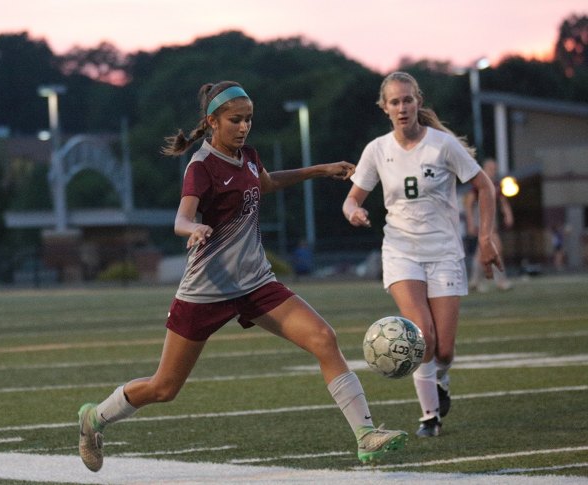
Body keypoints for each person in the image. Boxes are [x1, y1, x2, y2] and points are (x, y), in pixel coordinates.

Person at [77, 81, 408, 473]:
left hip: (256, 283)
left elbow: (265, 184)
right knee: (164, 388)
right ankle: (94, 419)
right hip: (206, 290)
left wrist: (321, 170)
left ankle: (365, 436)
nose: (244, 127)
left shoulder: (248, 156)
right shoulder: (201, 166)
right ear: (212, 121)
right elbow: (182, 217)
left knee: (324, 338)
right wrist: (194, 229)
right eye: (235, 120)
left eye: (249, 119)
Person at [342, 72, 503, 438]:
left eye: (407, 100)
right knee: (422, 337)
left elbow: (485, 186)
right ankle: (429, 417)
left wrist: (487, 237)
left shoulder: (443, 145)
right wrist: (353, 211)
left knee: (444, 349)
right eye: (394, 102)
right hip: (400, 251)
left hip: (444, 251)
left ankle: (441, 379)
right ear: (385, 108)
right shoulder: (377, 150)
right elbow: (353, 198)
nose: (402, 107)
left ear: (418, 102)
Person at [465, 158, 514, 292]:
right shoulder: (478, 184)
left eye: (494, 169)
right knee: (496, 248)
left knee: (481, 252)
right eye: (491, 169)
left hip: (491, 220)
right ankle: (501, 281)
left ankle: (475, 281)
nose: (493, 171)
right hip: (482, 220)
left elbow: (503, 201)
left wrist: (508, 214)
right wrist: (470, 222)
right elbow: (469, 204)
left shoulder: (496, 184)